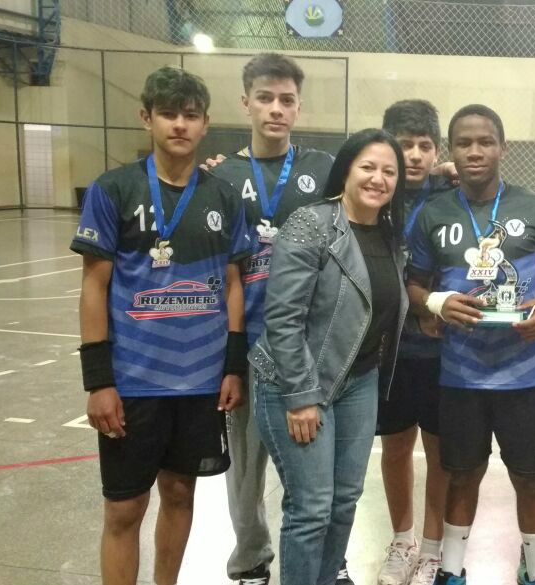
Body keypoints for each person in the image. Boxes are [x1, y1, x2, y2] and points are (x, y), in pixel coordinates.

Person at [70, 66, 250, 585]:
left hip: (199, 382)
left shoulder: (223, 197)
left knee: (180, 494)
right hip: (132, 382)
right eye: (168, 114)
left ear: (205, 124)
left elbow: (234, 283)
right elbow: (93, 288)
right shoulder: (114, 190)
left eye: (190, 116)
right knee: (124, 510)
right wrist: (99, 380)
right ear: (146, 117)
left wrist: (232, 366)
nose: (179, 125)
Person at [405, 104, 535, 585]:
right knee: (462, 476)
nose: (475, 151)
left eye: (485, 141)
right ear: (451, 150)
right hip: (461, 376)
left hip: (524, 377)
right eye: (464, 143)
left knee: (530, 480)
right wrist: (436, 304)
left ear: (502, 148)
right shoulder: (433, 213)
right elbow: (413, 284)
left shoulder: (533, 208)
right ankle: (451, 571)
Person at [248, 129, 409, 585]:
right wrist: (301, 396)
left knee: (343, 503)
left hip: (359, 381)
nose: (378, 178)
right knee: (312, 508)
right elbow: (282, 318)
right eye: (368, 167)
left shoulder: (389, 234)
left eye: (388, 171)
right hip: (297, 383)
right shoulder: (312, 223)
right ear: (346, 170)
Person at [208, 52, 335, 585]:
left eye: (286, 100)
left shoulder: (322, 169)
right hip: (243, 343)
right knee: (245, 466)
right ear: (246, 103)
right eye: (265, 98)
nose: (276, 110)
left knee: (314, 471)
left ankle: (326, 561)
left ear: (299, 108)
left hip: (307, 347)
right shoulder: (220, 175)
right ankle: (251, 560)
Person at [375, 99, 455, 585]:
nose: (416, 155)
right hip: (388, 349)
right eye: (405, 144)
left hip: (441, 346)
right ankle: (401, 539)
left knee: (441, 449)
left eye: (425, 145)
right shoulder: (374, 190)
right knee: (396, 445)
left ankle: (430, 547)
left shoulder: (451, 193)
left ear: (437, 149)